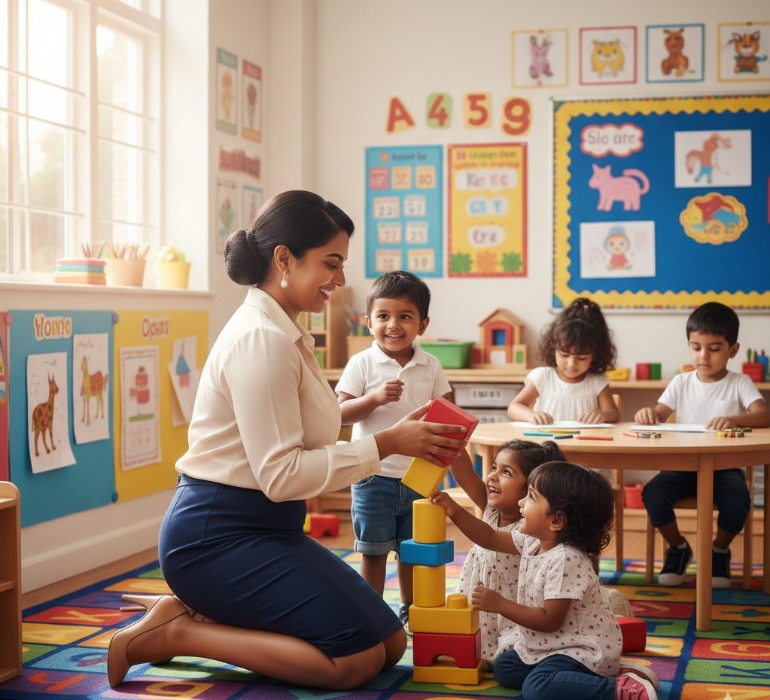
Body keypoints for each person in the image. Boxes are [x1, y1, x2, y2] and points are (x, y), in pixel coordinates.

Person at [106, 190, 471, 690]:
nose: (341, 280)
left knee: (389, 644)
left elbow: (303, 451)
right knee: (354, 662)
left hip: (270, 530)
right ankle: (177, 634)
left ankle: (201, 615)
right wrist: (385, 444)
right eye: (331, 263)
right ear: (284, 258)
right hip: (216, 539)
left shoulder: (288, 334)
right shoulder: (263, 339)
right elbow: (280, 477)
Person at [430, 462, 661, 700]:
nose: (521, 503)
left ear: (557, 521)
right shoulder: (532, 542)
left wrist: (499, 604)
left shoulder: (566, 559)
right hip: (549, 647)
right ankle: (619, 674)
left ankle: (619, 689)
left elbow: (549, 620)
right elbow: (489, 537)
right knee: (505, 667)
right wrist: (455, 511)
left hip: (581, 650)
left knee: (537, 688)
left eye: (530, 497)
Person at [336, 270, 456, 630]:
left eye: (405, 316)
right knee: (373, 551)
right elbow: (340, 413)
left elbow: (446, 406)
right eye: (383, 316)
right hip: (373, 475)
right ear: (368, 321)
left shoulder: (430, 364)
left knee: (411, 551)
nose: (393, 325)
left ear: (422, 324)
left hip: (419, 476)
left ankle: (408, 608)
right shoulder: (362, 363)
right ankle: (373, 611)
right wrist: (373, 399)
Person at [634, 301, 770, 588]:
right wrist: (650, 414)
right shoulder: (681, 382)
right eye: (696, 347)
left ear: (732, 350)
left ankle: (718, 550)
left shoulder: (739, 382)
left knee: (738, 502)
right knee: (653, 494)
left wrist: (735, 419)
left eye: (714, 348)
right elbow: (658, 413)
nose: (703, 355)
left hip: (725, 468)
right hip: (683, 466)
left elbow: (763, 414)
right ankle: (679, 548)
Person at [449, 439, 565, 667]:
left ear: (531, 489)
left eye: (506, 472)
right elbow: (464, 475)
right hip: (482, 608)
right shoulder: (492, 509)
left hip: (513, 616)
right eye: (494, 467)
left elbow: (488, 537)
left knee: (509, 661)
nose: (492, 476)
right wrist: (454, 445)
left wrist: (454, 511)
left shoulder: (531, 529)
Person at [507, 297, 619, 425]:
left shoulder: (597, 381)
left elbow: (614, 413)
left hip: (583, 443)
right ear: (553, 348)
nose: (572, 364)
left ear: (595, 355)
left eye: (582, 358)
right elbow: (514, 407)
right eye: (564, 355)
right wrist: (531, 415)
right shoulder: (543, 377)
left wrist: (602, 415)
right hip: (546, 443)